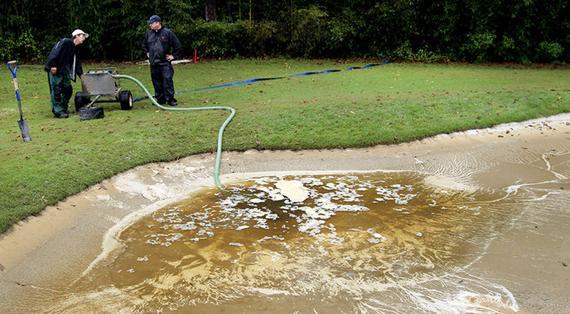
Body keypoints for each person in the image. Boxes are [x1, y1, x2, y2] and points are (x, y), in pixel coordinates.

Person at [44, 29, 88, 118]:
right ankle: (58, 111)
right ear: (76, 36)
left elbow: (77, 64)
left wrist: (82, 76)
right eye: (82, 36)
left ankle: (63, 107)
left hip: (65, 71)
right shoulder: (65, 42)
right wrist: (52, 65)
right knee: (57, 90)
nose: (84, 38)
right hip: (56, 69)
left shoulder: (76, 49)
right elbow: (54, 52)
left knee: (68, 90)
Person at [143, 15, 183, 106]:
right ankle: (160, 99)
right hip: (153, 63)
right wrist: (147, 53)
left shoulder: (168, 33)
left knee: (167, 80)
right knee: (156, 82)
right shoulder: (148, 34)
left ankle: (170, 99)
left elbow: (178, 46)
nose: (150, 25)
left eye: (151, 23)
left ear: (158, 23)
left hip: (165, 63)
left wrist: (173, 56)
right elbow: (144, 45)